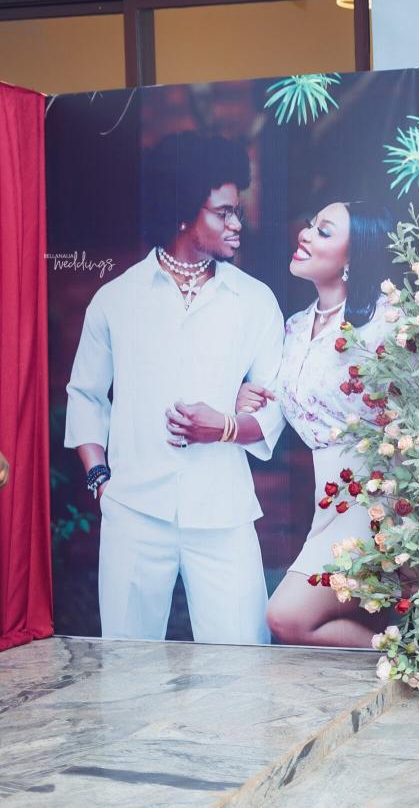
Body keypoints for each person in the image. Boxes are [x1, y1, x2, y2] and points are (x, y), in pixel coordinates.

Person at [65, 130, 285, 644]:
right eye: (223, 213)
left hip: (224, 510)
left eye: (238, 211)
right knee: (126, 665)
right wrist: (100, 479)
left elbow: (276, 405)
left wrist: (224, 426)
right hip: (133, 510)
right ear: (185, 211)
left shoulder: (255, 302)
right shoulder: (117, 299)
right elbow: (86, 395)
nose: (237, 224)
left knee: (243, 662)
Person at [238, 201, 396, 647]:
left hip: (374, 499)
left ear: (353, 257)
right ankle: (410, 655)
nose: (305, 234)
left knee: (286, 616)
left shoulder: (387, 322)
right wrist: (245, 397)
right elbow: (276, 404)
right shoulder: (295, 327)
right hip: (326, 504)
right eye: (309, 225)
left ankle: (410, 658)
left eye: (323, 231)